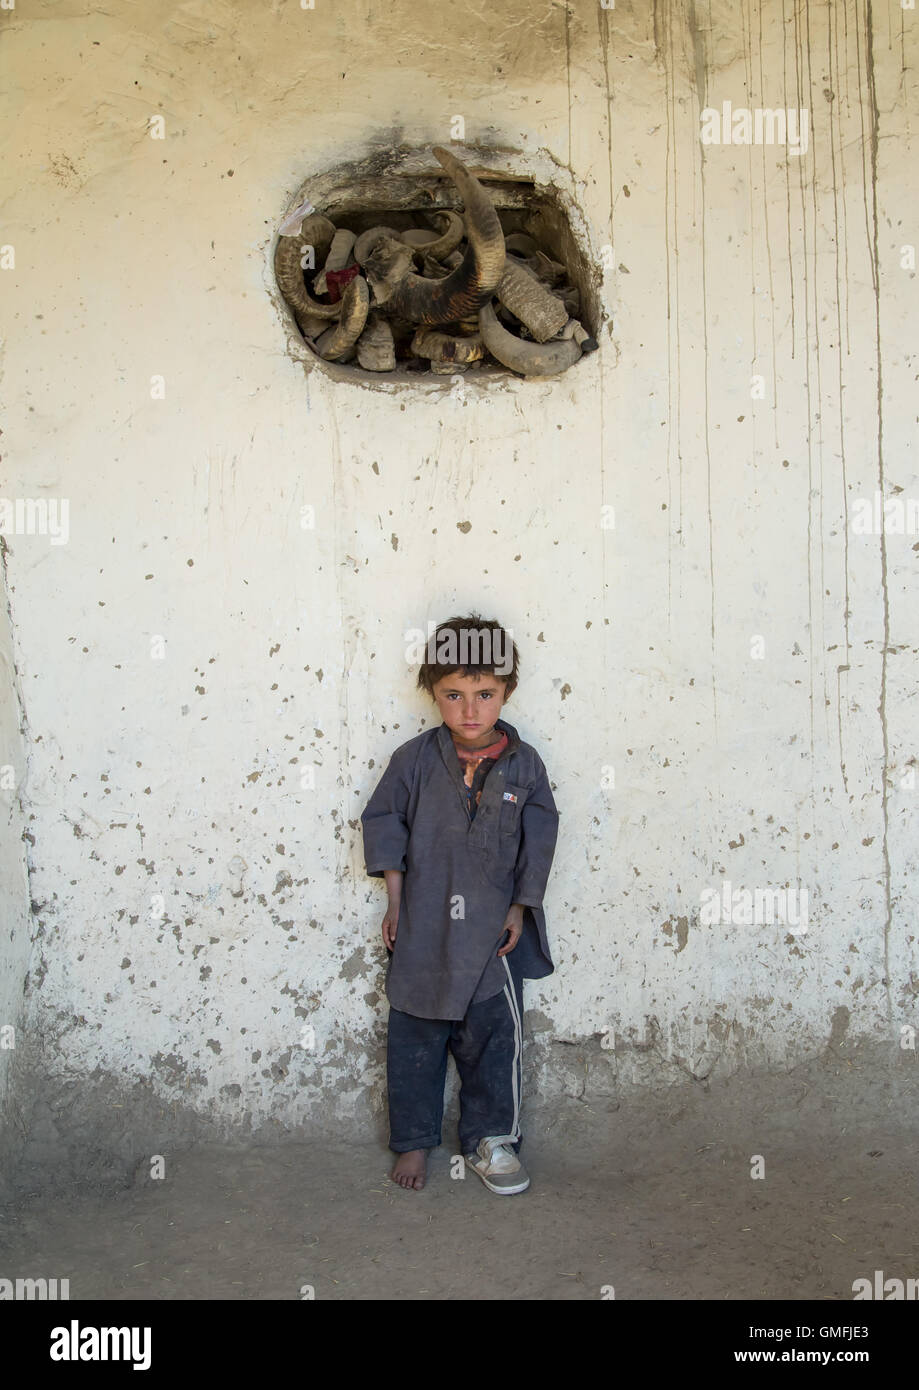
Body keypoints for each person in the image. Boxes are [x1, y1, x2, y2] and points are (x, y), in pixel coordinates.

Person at [360, 614, 559, 1194]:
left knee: (495, 1038)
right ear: (431, 692)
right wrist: (395, 902)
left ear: (508, 692)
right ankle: (415, 1142)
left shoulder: (526, 766)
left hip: (494, 934)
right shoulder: (414, 761)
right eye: (453, 694)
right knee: (415, 1037)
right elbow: (382, 821)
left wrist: (519, 909)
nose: (469, 709)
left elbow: (540, 840)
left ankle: (491, 1140)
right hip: (423, 926)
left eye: (485, 694)